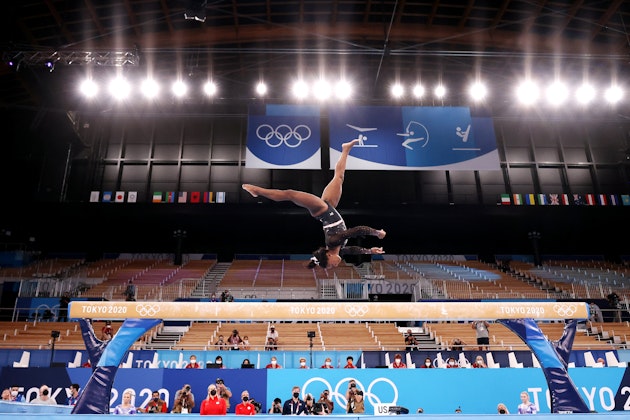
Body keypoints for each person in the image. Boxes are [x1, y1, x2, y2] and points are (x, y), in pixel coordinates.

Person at [242, 139, 386, 270]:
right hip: (330, 206)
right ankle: (345, 149)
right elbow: (353, 250)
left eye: (331, 265)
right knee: (339, 177)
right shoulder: (339, 249)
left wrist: (376, 233)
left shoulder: (333, 241)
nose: (335, 265)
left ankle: (258, 191)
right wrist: (370, 251)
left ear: (328, 255)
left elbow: (356, 230)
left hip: (321, 210)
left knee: (290, 194)